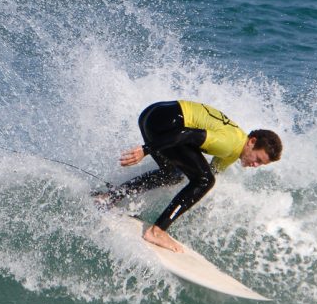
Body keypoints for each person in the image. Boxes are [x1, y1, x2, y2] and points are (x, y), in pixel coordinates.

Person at [95, 100, 282, 253]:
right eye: (258, 159)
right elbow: (188, 136)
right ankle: (157, 231)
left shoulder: (233, 152)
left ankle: (109, 197)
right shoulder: (229, 143)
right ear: (252, 141)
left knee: (173, 174)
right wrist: (145, 150)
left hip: (153, 114)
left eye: (260, 165)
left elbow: (203, 173)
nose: (254, 165)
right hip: (166, 122)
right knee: (205, 180)